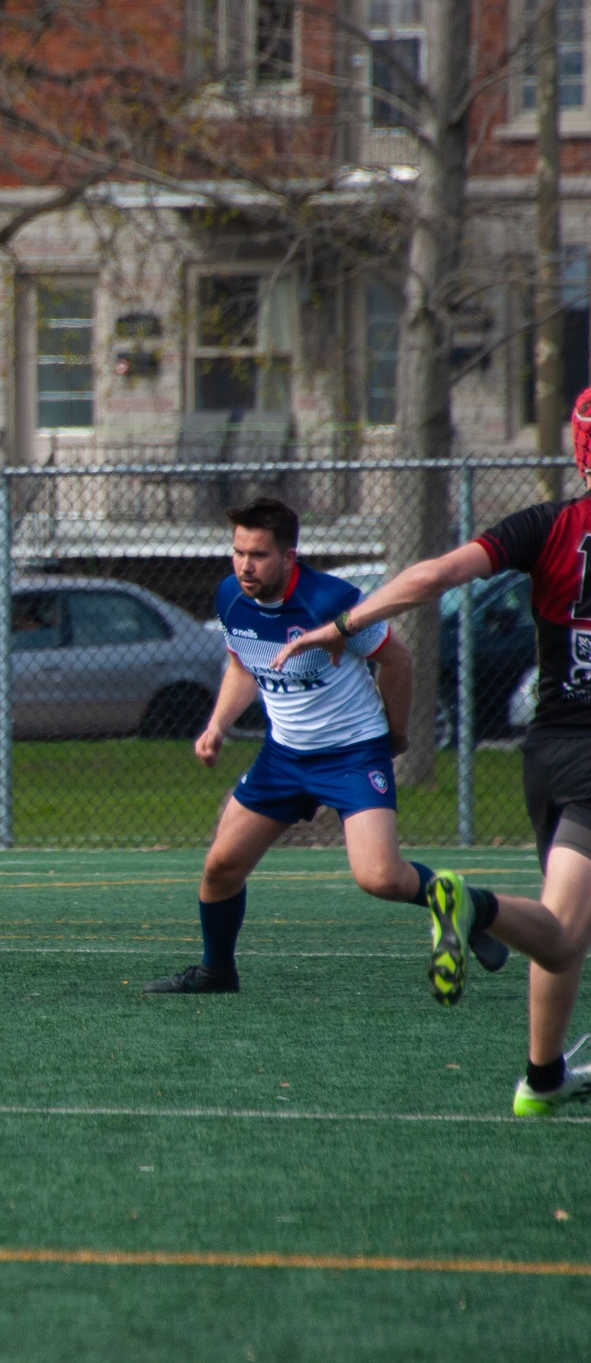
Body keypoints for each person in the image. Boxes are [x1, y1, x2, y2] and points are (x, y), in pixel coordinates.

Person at [272, 402, 591, 1116]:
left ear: (580, 451)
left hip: (550, 753)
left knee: (561, 927)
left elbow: (434, 575)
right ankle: (474, 906)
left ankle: (542, 1079)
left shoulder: (549, 525)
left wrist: (346, 623)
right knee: (564, 930)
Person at [146, 497, 514, 995]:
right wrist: (216, 725)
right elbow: (242, 665)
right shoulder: (231, 597)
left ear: (288, 557)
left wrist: (397, 734)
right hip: (283, 756)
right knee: (221, 867)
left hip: (351, 754)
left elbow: (398, 660)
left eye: (258, 555)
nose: (244, 566)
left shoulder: (329, 601)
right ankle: (217, 972)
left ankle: (468, 905)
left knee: (381, 878)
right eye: (238, 552)